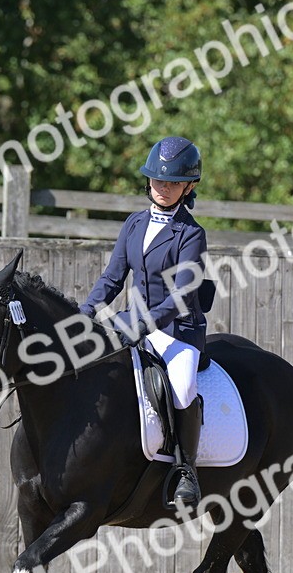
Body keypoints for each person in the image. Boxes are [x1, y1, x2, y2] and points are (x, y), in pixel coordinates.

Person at [79, 136, 209, 508]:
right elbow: (111, 278)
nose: (162, 188)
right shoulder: (134, 224)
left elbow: (182, 296)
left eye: (171, 183)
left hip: (177, 331)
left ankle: (186, 470)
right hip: (132, 321)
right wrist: (84, 314)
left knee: (182, 387)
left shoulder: (192, 234)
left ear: (188, 186)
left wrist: (145, 324)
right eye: (157, 180)